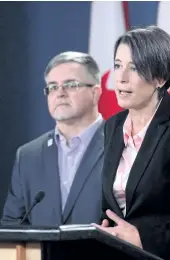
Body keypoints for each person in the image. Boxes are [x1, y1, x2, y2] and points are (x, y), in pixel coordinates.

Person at [93, 26, 170, 260]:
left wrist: (145, 239)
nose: (120, 77)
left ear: (160, 78)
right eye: (118, 65)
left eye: (135, 68)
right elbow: (115, 205)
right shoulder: (113, 126)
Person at [1, 51, 104, 226]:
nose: (60, 93)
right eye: (53, 87)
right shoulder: (28, 156)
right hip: (42, 254)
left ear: (95, 93)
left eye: (71, 85)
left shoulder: (123, 145)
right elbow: (12, 226)